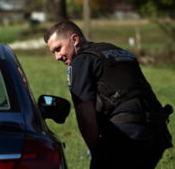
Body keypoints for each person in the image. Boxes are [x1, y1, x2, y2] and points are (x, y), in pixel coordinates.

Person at [44, 20, 172, 169]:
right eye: (54, 52)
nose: (57, 57)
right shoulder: (119, 52)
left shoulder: (80, 61)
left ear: (75, 39)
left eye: (58, 49)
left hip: (127, 136)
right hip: (157, 133)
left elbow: (85, 115)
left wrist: (97, 153)